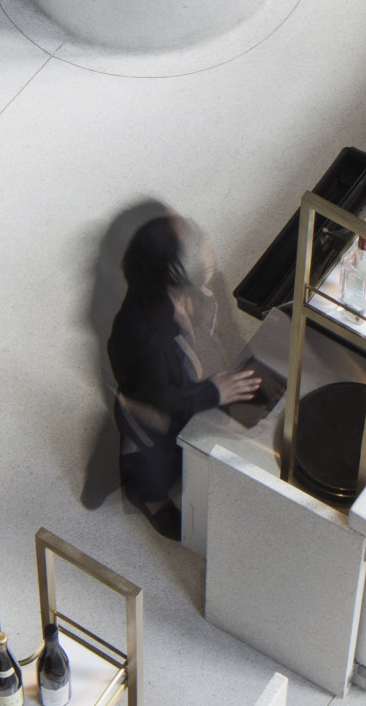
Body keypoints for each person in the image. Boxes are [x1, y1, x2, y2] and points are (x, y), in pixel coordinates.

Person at [107, 213, 265, 539]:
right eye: (193, 247)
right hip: (154, 410)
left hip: (190, 382)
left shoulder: (202, 284)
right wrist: (214, 392)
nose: (207, 249)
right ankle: (149, 500)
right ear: (170, 269)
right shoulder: (139, 333)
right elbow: (161, 400)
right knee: (157, 454)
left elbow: (230, 335)